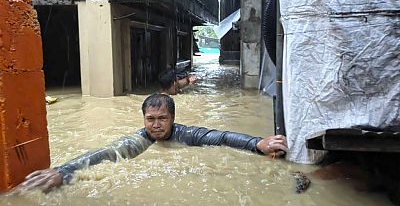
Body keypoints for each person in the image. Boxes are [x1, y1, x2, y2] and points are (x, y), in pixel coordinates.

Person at [18, 93, 288, 193]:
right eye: (150, 119)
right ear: (143, 119)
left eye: (162, 119)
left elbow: (222, 137)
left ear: (173, 119)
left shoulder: (186, 134)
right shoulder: (141, 140)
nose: (156, 125)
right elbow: (108, 153)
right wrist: (63, 172)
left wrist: (257, 143)